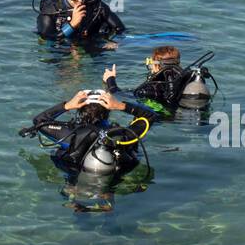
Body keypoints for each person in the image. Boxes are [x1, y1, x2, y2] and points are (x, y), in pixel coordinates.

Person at [20, 74, 155, 178]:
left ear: (79, 110)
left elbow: (39, 121)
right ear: (108, 110)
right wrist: (121, 106)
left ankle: (72, 193)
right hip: (113, 173)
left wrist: (67, 105)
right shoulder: (121, 135)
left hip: (76, 172)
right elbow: (150, 116)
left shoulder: (70, 134)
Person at [104, 46, 215, 120]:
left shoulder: (152, 86)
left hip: (164, 118)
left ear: (156, 65)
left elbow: (117, 94)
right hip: (192, 116)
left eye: (150, 63)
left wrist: (110, 79)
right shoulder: (189, 79)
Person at [34, 0, 125, 44]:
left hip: (90, 42)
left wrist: (111, 40)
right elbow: (48, 38)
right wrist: (72, 25)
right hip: (61, 45)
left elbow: (120, 29)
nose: (80, 0)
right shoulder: (51, 10)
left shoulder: (95, 5)